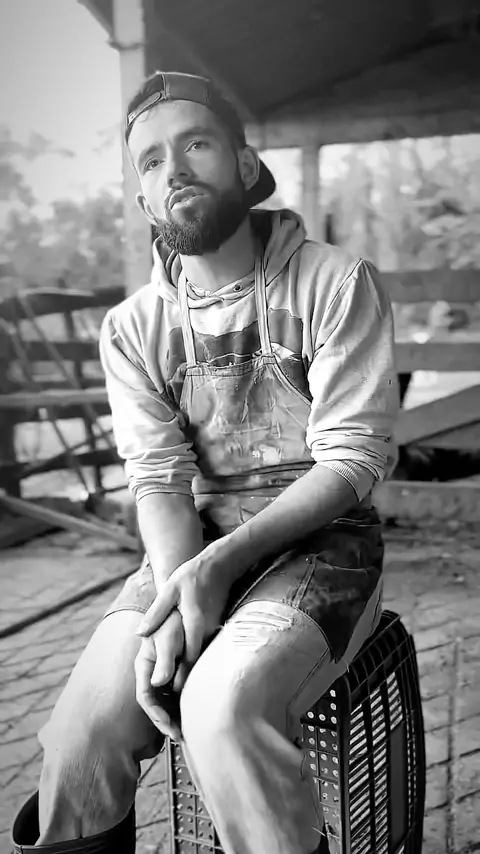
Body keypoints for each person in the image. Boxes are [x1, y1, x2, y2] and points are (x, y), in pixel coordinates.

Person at [12, 71, 399, 854]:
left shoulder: (334, 282)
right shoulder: (132, 329)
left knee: (220, 707)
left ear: (245, 166)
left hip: (325, 548)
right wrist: (183, 591)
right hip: (190, 545)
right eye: (152, 161)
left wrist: (216, 571)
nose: (175, 169)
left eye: (196, 144)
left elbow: (354, 459)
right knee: (82, 737)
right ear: (144, 200)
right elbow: (158, 479)